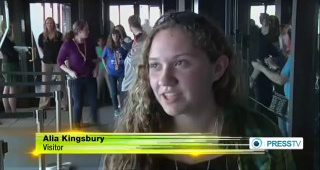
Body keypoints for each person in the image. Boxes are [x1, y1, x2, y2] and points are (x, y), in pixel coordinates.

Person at [105, 12, 294, 169]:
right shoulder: (127, 147)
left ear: (218, 68)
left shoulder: (262, 134)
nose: (164, 79)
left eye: (180, 63)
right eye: (155, 65)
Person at [57, 20, 100, 128]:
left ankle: (96, 123)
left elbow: (96, 59)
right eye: (86, 30)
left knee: (94, 102)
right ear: (79, 31)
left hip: (90, 77)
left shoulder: (89, 43)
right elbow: (60, 62)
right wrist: (70, 72)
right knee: (78, 103)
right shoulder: (68, 45)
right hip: (77, 79)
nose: (88, 31)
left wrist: (96, 69)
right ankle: (77, 126)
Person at [38, 17, 67, 110]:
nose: (49, 25)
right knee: (45, 83)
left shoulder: (59, 35)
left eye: (51, 23)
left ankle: (63, 104)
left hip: (58, 62)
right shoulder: (41, 36)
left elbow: (63, 47)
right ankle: (44, 104)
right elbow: (41, 47)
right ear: (45, 25)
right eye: (47, 23)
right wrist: (46, 55)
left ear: (54, 24)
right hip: (46, 62)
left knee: (61, 82)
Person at [121, 15, 146, 104]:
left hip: (133, 80)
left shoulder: (141, 38)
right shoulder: (139, 37)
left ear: (130, 26)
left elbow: (133, 60)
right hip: (134, 79)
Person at [102, 29, 128, 117]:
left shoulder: (122, 47)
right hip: (111, 73)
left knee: (122, 91)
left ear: (119, 36)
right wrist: (106, 68)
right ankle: (116, 109)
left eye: (117, 35)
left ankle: (123, 108)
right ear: (111, 36)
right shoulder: (107, 48)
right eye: (113, 35)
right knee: (113, 91)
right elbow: (103, 58)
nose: (115, 37)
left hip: (121, 72)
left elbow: (127, 57)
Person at [0, 21, 20, 113]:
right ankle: (13, 111)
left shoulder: (5, 38)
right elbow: (11, 53)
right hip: (10, 65)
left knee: (7, 87)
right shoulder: (3, 39)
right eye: (9, 27)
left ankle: (8, 110)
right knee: (12, 88)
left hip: (7, 64)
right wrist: (18, 52)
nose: (11, 29)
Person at [96, 36, 111, 103]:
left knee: (110, 84)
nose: (101, 42)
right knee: (98, 85)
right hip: (99, 68)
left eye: (102, 41)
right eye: (100, 41)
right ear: (98, 42)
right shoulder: (96, 49)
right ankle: (98, 99)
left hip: (107, 68)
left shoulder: (107, 48)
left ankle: (112, 99)